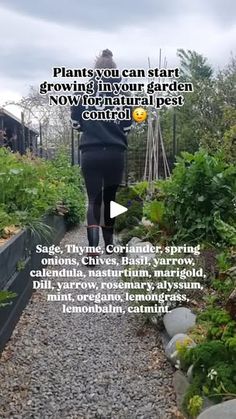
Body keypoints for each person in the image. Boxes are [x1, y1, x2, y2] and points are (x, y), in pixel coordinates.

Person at [71, 49, 133, 253]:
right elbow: (126, 127)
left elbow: (75, 124)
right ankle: (109, 245)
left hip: (91, 153)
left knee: (93, 200)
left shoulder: (82, 92)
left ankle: (92, 249)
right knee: (110, 200)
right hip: (115, 153)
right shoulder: (124, 94)